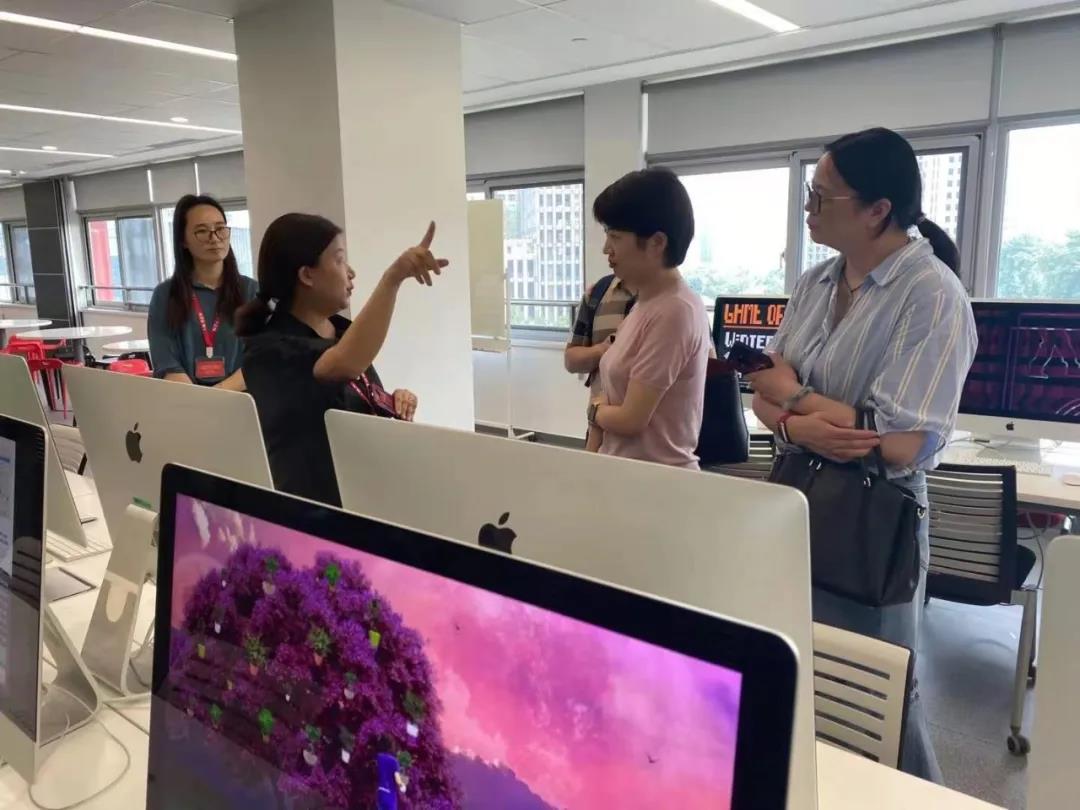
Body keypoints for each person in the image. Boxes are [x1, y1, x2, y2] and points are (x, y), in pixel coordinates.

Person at [749, 127, 977, 782]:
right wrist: (802, 426)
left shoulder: (932, 295)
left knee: (874, 697)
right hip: (798, 494)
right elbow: (762, 394)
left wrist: (795, 398)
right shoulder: (816, 282)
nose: (809, 208)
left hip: (874, 519)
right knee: (801, 673)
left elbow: (901, 443)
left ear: (878, 210)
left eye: (823, 196)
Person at [235, 213, 447, 507]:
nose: (351, 272)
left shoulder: (342, 332)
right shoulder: (269, 350)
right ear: (307, 275)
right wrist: (392, 279)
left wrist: (391, 402)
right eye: (339, 260)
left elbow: (357, 392)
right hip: (316, 511)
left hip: (367, 497)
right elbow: (341, 365)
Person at [585, 167, 711, 468]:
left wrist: (595, 412)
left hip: (656, 480)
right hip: (621, 471)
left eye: (615, 237)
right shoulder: (644, 303)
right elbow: (608, 401)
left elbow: (631, 419)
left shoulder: (676, 311)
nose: (606, 249)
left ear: (657, 242)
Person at [148, 194, 258, 389]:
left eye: (220, 229)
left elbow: (258, 358)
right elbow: (165, 360)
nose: (214, 238)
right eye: (202, 231)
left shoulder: (251, 291)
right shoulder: (165, 295)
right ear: (183, 241)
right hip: (185, 399)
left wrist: (218, 394)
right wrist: (199, 401)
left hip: (243, 399)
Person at [564, 272, 636, 438]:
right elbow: (570, 360)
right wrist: (604, 350)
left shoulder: (668, 303)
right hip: (599, 427)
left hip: (651, 438)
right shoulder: (598, 292)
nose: (608, 256)